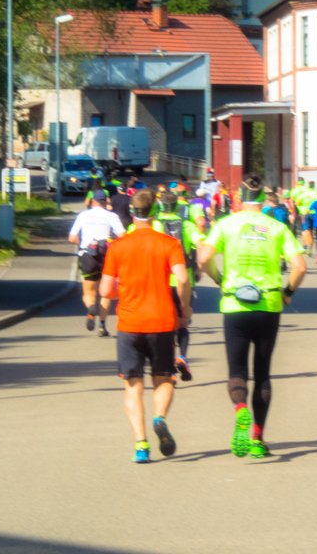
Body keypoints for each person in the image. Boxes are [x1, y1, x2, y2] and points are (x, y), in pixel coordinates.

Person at [199, 174, 307, 459]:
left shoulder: (226, 224)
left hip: (235, 304)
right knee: (262, 374)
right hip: (268, 304)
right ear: (263, 199)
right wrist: (288, 292)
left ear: (239, 197)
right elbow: (300, 266)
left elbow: (203, 258)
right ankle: (258, 439)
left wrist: (218, 278)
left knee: (237, 372)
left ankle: (240, 409)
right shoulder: (277, 227)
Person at [99, 189, 192, 463]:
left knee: (133, 386)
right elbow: (183, 279)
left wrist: (122, 289)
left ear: (132, 212)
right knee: (164, 378)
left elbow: (105, 289)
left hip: (129, 324)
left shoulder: (118, 247)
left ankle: (141, 446)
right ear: (155, 212)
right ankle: (159, 417)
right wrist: (184, 308)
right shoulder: (169, 244)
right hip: (161, 321)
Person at [155, 192, 203, 381]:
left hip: (162, 280)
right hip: (184, 279)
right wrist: (199, 268)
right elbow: (200, 244)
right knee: (183, 322)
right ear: (177, 206)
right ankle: (182, 356)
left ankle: (170, 370)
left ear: (161, 205)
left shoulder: (156, 225)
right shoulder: (187, 225)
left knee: (166, 326)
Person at [68, 189, 126, 336]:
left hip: (88, 255)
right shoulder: (111, 216)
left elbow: (72, 238)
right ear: (105, 202)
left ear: (93, 201)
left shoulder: (83, 215)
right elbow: (123, 235)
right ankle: (102, 326)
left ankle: (91, 307)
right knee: (105, 293)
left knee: (89, 292)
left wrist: (82, 243)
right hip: (106, 256)